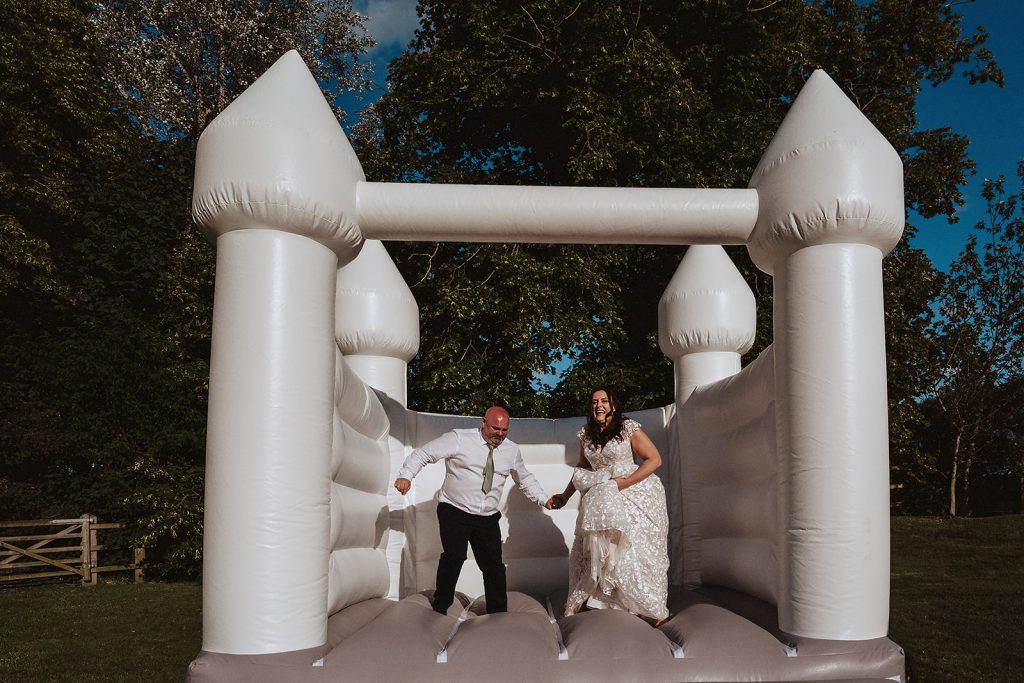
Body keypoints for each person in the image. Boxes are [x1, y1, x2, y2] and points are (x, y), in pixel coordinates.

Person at [394, 406, 555, 615]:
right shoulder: (459, 438)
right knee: (454, 555)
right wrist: (406, 475)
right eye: (496, 428)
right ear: (483, 422)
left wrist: (544, 499)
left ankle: (498, 612)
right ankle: (440, 607)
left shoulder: (512, 450)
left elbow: (524, 479)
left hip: (487, 516)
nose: (500, 434)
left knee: (493, 565)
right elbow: (424, 453)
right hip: (454, 509)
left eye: (505, 430)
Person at [550, 388, 669, 624]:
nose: (599, 406)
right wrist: (565, 496)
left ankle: (648, 608)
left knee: (632, 551)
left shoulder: (627, 428)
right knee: (598, 552)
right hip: (601, 500)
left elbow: (654, 459)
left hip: (631, 495)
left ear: (613, 405)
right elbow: (582, 469)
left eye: (604, 401)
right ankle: (604, 605)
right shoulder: (585, 434)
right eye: (595, 402)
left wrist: (623, 483)